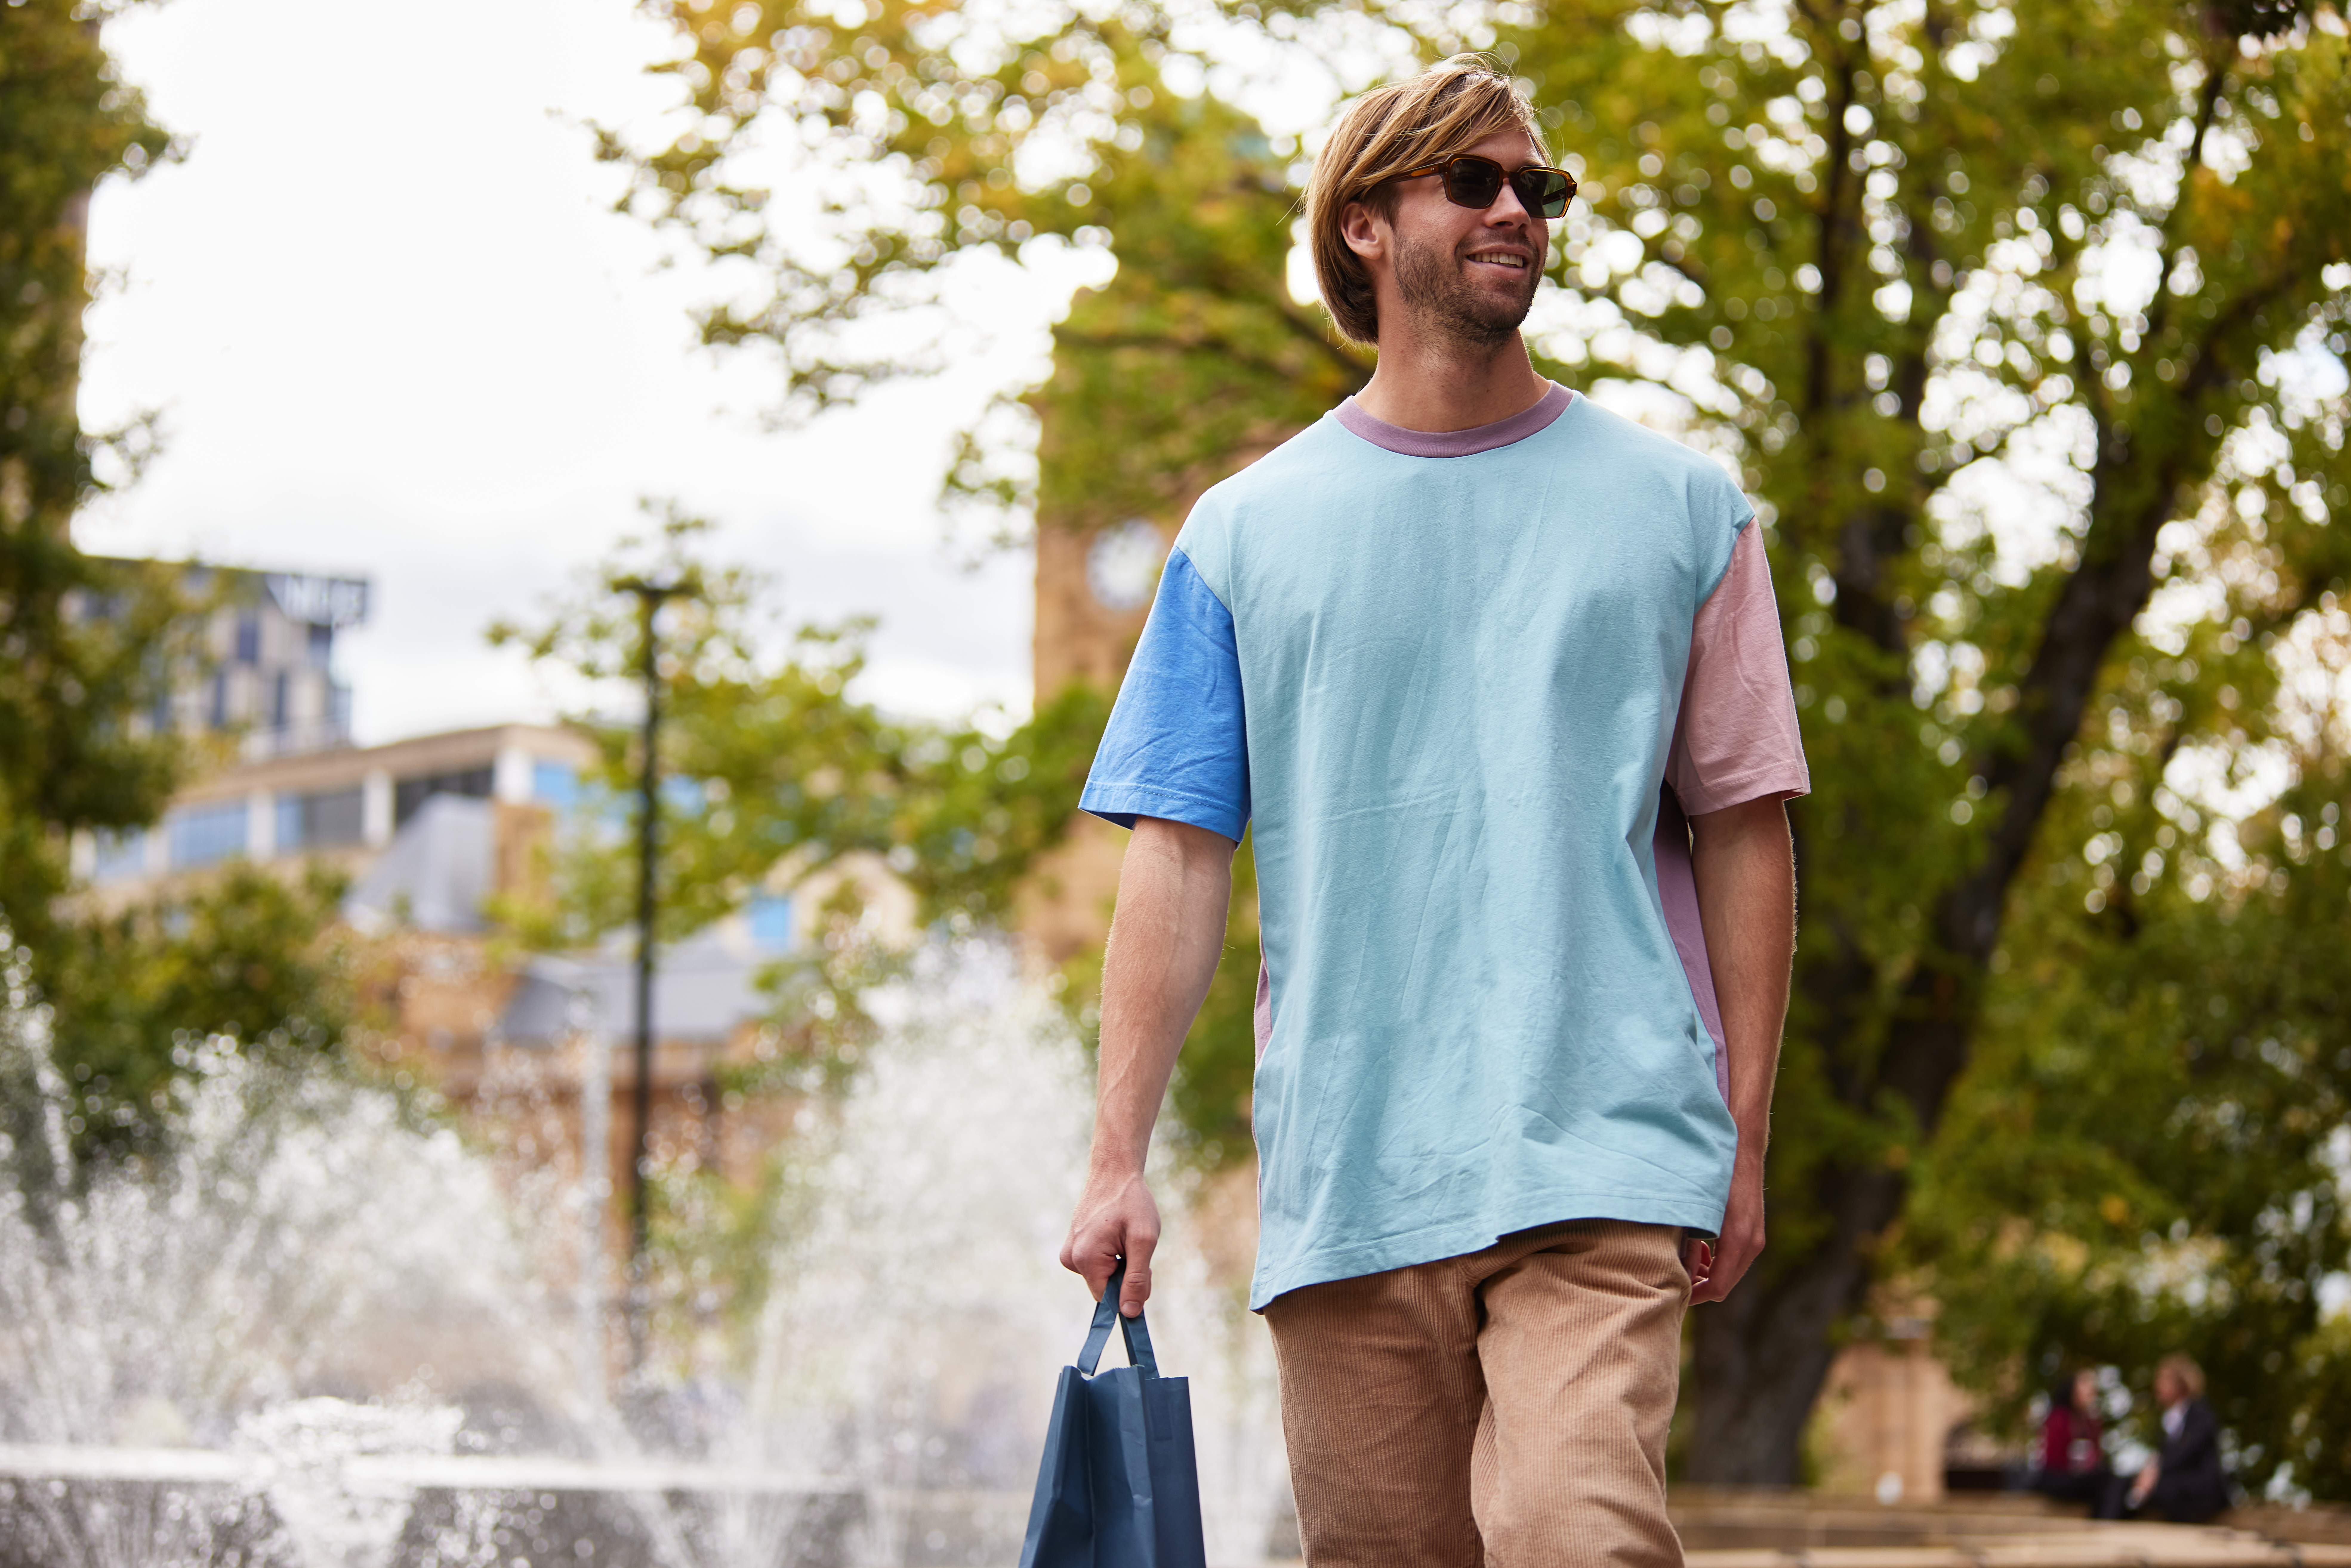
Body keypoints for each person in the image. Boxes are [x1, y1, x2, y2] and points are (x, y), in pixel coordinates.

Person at [1057, 54, 1809, 1568]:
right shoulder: (1241, 536)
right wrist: (1116, 1150)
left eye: (1539, 189)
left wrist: (1744, 1132)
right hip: (1350, 1172)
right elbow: (1180, 853)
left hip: (1604, 1149)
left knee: (1570, 1532)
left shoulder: (1684, 512)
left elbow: (1744, 825)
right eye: (1474, 183)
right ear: (1361, 226)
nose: (1517, 211)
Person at [2098, 1354, 2229, 1523]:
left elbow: (2186, 1453)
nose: (2157, 1386)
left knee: (2161, 1488)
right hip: (2174, 1481)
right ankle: (2106, 1526)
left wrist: (2154, 1471)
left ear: (2181, 1383)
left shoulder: (2202, 1414)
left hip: (2201, 1488)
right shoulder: (2169, 1419)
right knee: (2122, 1483)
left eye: (2163, 1380)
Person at [2033, 1368, 2109, 1507]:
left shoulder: (2090, 1422)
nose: (2091, 1391)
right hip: (2057, 1477)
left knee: (2107, 1477)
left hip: (2080, 1477)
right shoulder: (2059, 1418)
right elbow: (2053, 1459)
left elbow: (2097, 1457)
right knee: (2103, 1480)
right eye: (2085, 1385)